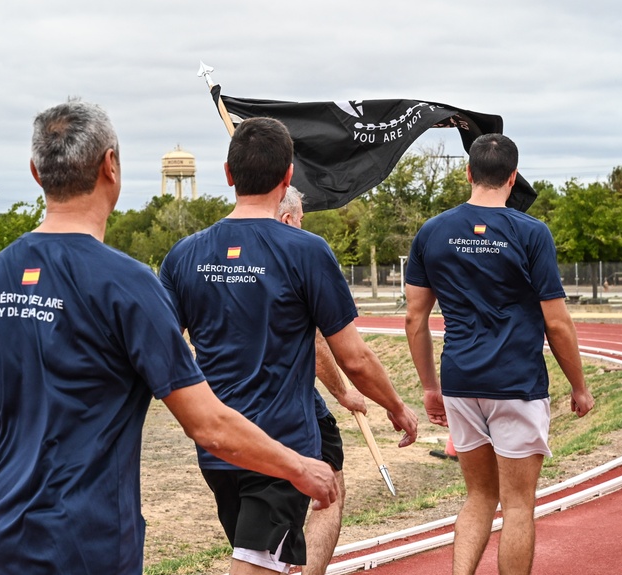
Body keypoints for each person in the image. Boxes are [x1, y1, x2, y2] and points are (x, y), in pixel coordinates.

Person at [0, 99, 339, 575]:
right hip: (91, 537)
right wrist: (300, 467)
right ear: (110, 167)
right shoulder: (130, 285)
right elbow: (209, 426)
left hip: (3, 528)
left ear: (36, 174)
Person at [160, 117, 418, 575]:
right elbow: (353, 356)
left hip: (219, 451)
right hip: (281, 448)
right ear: (288, 176)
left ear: (226, 173)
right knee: (258, 569)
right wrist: (397, 407)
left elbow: (161, 350)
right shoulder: (307, 251)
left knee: (264, 563)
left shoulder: (183, 255)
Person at [404, 133, 595, 575]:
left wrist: (431, 388)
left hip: (460, 382)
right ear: (512, 178)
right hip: (516, 384)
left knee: (478, 497)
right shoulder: (531, 232)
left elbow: (415, 319)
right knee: (518, 505)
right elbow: (558, 322)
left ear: (468, 173)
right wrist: (579, 387)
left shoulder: (432, 232)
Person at [277, 187, 368, 575]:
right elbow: (322, 344)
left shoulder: (200, 252)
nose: (302, 226)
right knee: (326, 491)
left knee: (257, 515)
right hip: (291, 399)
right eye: (300, 219)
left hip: (230, 405)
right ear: (287, 219)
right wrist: (346, 392)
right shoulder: (302, 253)